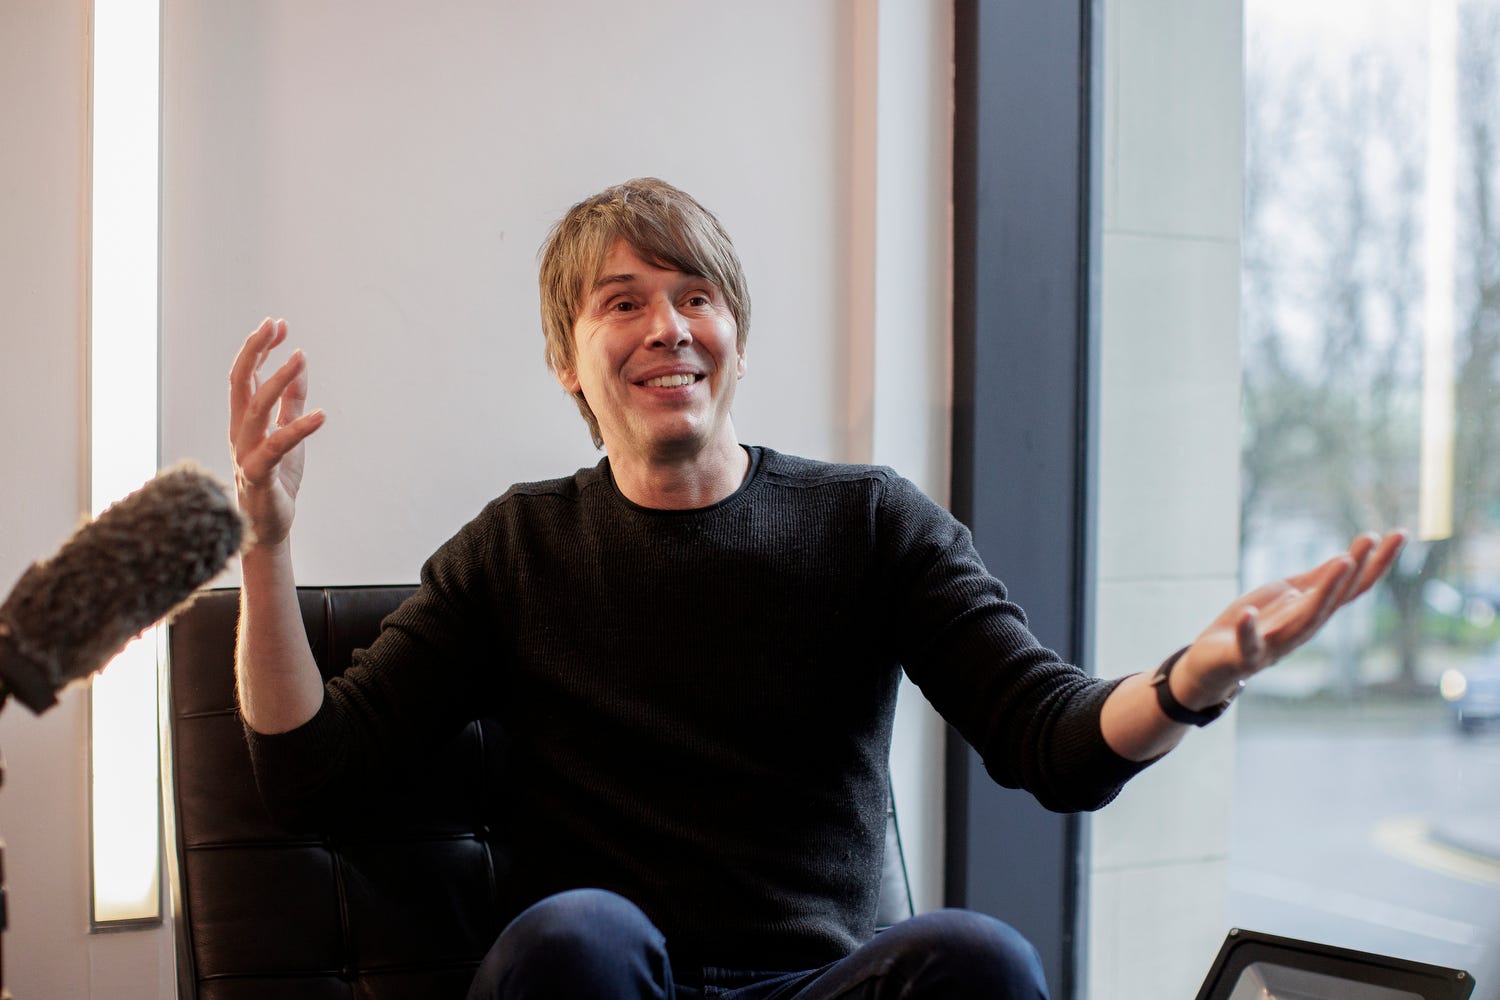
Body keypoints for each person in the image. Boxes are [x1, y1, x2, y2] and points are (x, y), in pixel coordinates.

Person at [227, 177, 1404, 1000]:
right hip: (600, 978)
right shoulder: (519, 545)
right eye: (622, 301)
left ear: (735, 330)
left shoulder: (869, 521)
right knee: (579, 932)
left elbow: (1052, 742)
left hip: (821, 981)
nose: (667, 327)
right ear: (566, 359)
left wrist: (1192, 681)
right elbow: (311, 772)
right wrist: (267, 549)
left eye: (696, 294)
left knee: (980, 958)